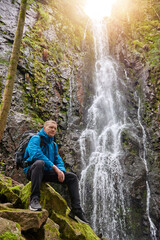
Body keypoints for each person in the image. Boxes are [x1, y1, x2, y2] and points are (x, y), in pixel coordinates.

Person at [23, 120, 89, 224]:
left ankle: (76, 209)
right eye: (50, 127)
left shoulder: (53, 144)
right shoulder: (35, 138)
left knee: (72, 177)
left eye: (55, 128)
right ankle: (34, 200)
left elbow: (58, 160)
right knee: (39, 163)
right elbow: (36, 154)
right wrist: (54, 168)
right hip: (33, 171)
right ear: (44, 128)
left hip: (45, 173)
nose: (53, 129)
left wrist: (61, 171)